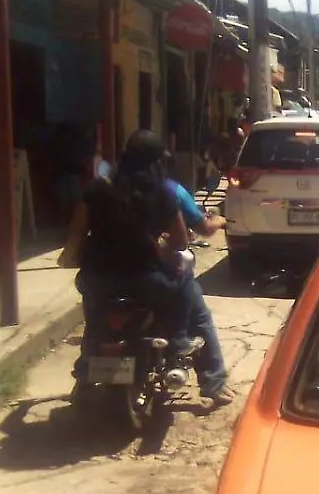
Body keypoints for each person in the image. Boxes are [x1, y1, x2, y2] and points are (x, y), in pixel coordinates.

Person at [60, 130, 195, 399]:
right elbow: (180, 242)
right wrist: (162, 247)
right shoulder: (163, 193)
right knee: (185, 279)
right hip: (146, 281)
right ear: (158, 162)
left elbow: (77, 232)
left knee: (94, 308)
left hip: (98, 279)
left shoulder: (97, 189)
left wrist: (68, 257)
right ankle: (179, 344)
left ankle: (88, 355)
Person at [163, 175, 236, 409]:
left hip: (109, 272)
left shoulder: (107, 187)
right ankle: (213, 382)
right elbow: (199, 229)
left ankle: (84, 375)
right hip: (156, 272)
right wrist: (221, 220)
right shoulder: (168, 190)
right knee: (200, 316)